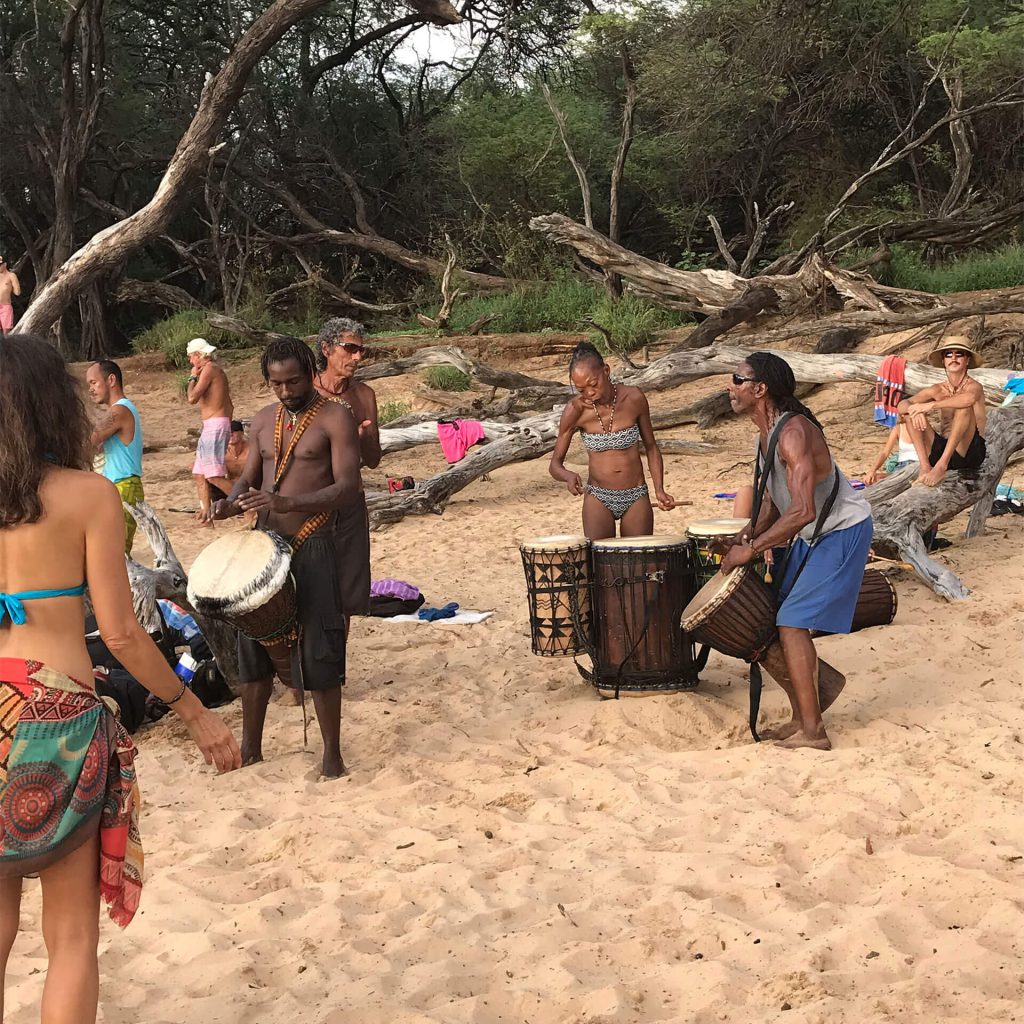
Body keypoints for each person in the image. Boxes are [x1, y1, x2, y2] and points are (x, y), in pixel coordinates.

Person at [0, 334, 240, 1022]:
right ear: (55, 407)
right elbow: (125, 634)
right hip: (58, 718)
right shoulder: (87, 495)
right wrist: (195, 712)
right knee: (71, 936)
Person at [208, 337, 362, 778]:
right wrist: (229, 502)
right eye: (276, 383)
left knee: (320, 643)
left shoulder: (336, 417)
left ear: (312, 372)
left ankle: (332, 754)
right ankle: (251, 747)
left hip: (313, 539)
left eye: (293, 380)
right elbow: (249, 478)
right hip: (265, 544)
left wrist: (291, 504)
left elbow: (348, 487)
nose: (285, 390)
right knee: (252, 643)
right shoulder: (262, 421)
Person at [721, 352, 873, 751]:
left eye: (737, 380)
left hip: (841, 531)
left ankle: (814, 731)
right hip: (814, 533)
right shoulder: (765, 433)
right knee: (777, 619)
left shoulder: (792, 433)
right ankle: (804, 714)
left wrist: (751, 550)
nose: (729, 386)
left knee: (790, 623)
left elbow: (803, 510)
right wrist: (746, 533)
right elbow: (773, 500)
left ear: (760, 389)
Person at [549, 342, 675, 541]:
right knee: (602, 566)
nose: (589, 393)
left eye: (593, 384)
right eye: (582, 389)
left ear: (606, 370)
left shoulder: (634, 398)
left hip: (636, 494)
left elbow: (651, 447)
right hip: (598, 496)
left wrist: (659, 489)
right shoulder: (576, 410)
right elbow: (555, 465)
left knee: (638, 565)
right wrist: (567, 476)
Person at [314, 319, 378, 623]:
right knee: (311, 587)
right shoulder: (306, 393)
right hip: (312, 500)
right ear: (326, 349)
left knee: (347, 593)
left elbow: (375, 459)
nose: (357, 357)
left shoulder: (364, 395)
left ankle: (337, 666)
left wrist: (362, 438)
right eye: (350, 348)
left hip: (351, 501)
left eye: (361, 351)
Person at [898, 337, 987, 487]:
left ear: (967, 360)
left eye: (959, 354)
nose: (953, 358)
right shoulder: (938, 389)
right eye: (948, 354)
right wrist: (915, 410)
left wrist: (930, 405)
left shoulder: (974, 386)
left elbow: (968, 400)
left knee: (963, 408)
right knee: (909, 414)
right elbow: (902, 405)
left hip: (969, 452)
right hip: (942, 448)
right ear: (944, 360)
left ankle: (941, 466)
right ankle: (925, 467)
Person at [85, 359, 145, 554]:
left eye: (93, 382)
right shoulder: (121, 410)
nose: (91, 389)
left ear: (111, 380)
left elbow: (89, 440)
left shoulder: (120, 410)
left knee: (116, 554)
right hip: (117, 485)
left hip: (124, 485)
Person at [186, 338, 234, 521]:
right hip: (211, 425)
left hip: (215, 425)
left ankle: (249, 507)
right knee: (199, 473)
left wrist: (192, 376)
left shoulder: (210, 369)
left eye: (191, 357)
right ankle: (207, 515)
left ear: (198, 355)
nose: (191, 362)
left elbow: (192, 398)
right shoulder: (213, 370)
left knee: (214, 475)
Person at [863, 412, 919, 485]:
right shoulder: (898, 428)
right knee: (874, 479)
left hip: (916, 466)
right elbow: (885, 452)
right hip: (901, 466)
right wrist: (872, 470)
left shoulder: (920, 426)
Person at [0, 255, 20, 335]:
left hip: (5, 306)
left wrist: (11, 286)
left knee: (6, 332)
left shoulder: (11, 276)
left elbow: (17, 292)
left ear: (5, 264)